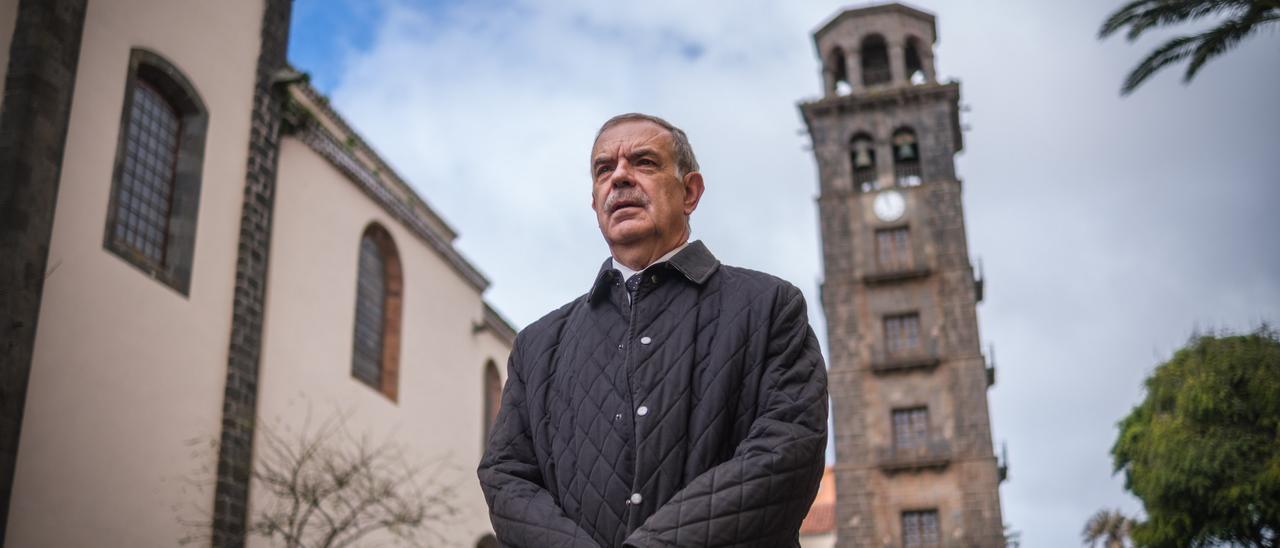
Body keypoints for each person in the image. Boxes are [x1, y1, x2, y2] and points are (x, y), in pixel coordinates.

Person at [478, 113, 828, 547]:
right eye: (604, 169)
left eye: (643, 162)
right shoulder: (538, 344)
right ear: (594, 202)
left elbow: (786, 450)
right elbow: (506, 475)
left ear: (690, 192)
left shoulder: (769, 306)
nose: (619, 177)